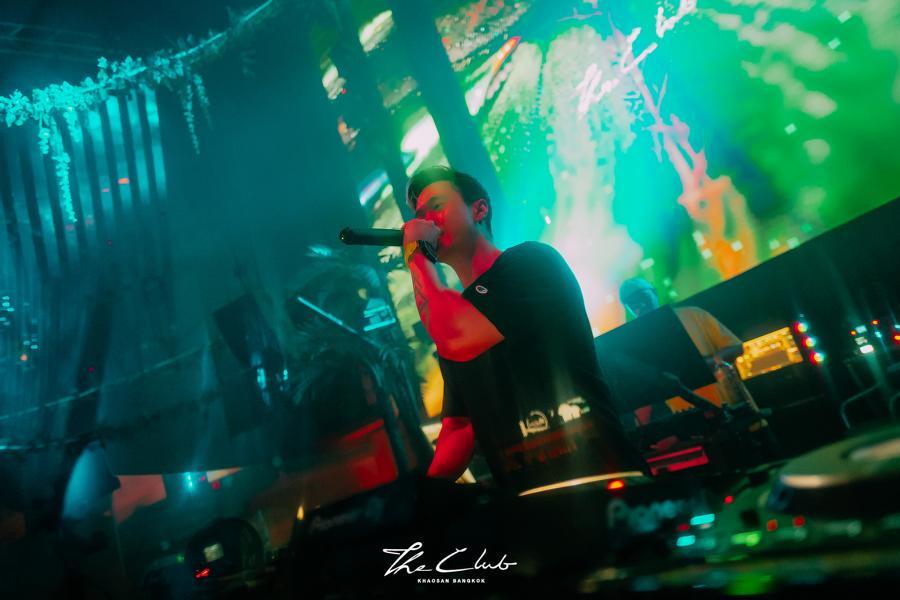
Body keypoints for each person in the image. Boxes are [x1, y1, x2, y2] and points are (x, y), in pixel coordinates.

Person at [402, 165, 645, 495]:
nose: (427, 221)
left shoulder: (531, 262)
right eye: (420, 216)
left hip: (600, 474)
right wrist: (428, 494)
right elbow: (461, 425)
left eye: (437, 206)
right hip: (525, 496)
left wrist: (416, 254)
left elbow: (459, 334)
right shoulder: (453, 313)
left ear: (479, 209)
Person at [618, 277, 777, 457]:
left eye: (642, 296)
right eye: (632, 303)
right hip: (698, 431)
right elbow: (646, 395)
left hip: (737, 413)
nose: (640, 305)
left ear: (654, 293)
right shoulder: (640, 343)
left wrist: (712, 361)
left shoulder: (693, 314)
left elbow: (736, 347)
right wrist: (643, 437)